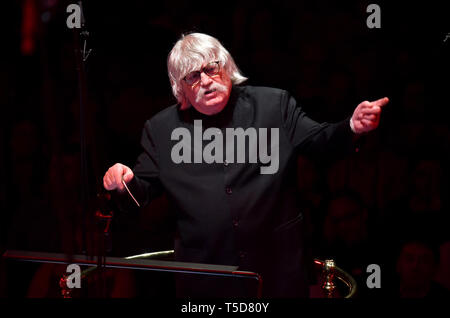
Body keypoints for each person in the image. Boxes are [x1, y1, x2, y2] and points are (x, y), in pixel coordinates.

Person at [102, 32, 388, 297]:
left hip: (278, 271)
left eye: (211, 68)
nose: (205, 80)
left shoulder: (273, 105)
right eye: (192, 76)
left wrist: (352, 126)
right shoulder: (161, 129)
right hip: (206, 281)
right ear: (181, 89)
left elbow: (321, 142)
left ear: (226, 66)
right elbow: (140, 194)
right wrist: (122, 182)